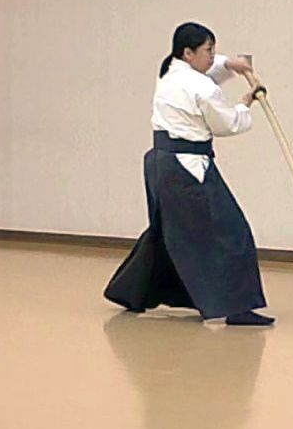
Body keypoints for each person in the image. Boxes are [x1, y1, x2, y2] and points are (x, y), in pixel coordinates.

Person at [104, 22, 274, 326]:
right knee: (232, 232)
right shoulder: (201, 86)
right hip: (188, 169)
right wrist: (245, 104)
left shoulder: (168, 72)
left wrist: (230, 65)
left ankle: (131, 292)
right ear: (188, 53)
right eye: (208, 50)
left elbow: (204, 76)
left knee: (169, 232)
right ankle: (237, 308)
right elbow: (227, 124)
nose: (212, 56)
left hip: (161, 165)